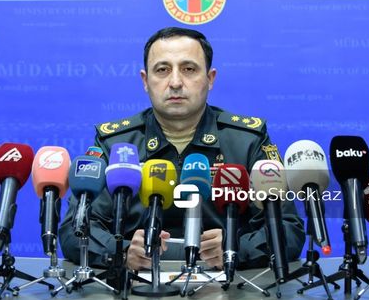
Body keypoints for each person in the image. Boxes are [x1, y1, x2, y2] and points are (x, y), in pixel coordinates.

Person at [59, 27, 305, 271]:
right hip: (135, 286)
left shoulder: (247, 141)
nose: (175, 82)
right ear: (145, 81)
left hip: (229, 286)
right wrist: (121, 252)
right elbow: (75, 228)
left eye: (189, 69)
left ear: (210, 78)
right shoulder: (115, 143)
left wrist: (235, 249)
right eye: (162, 70)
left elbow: (287, 228)